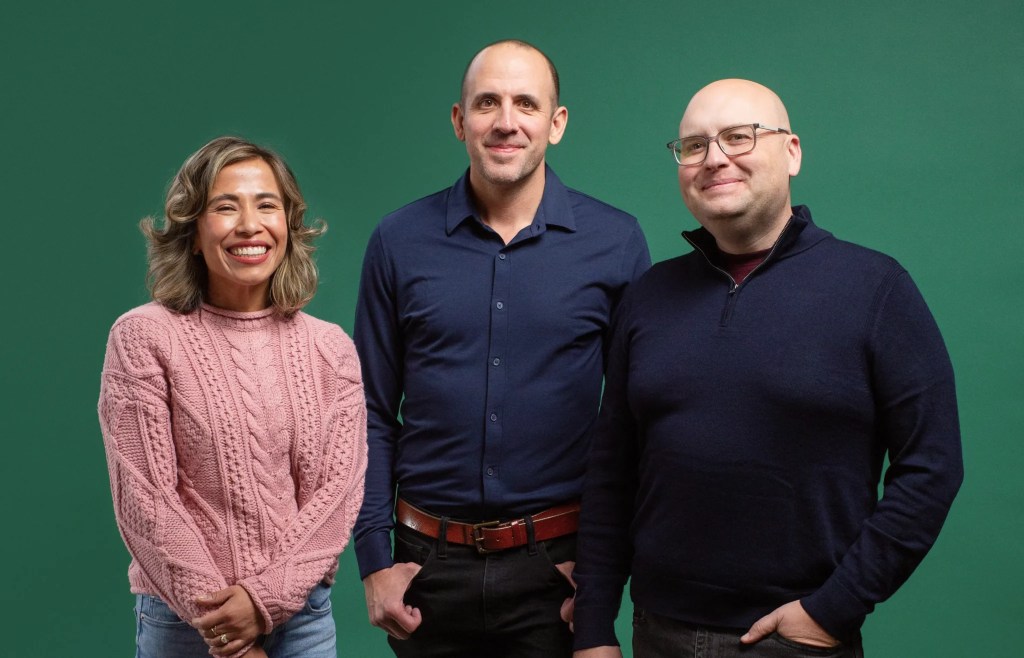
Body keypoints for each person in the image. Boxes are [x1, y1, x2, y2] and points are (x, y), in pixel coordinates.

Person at [571, 79, 964, 657]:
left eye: (738, 136)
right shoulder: (649, 297)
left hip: (798, 641)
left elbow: (933, 466)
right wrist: (593, 628)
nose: (715, 159)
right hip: (655, 633)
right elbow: (612, 472)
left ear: (793, 151)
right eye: (694, 145)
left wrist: (833, 608)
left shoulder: (876, 289)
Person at [353, 39, 651, 657]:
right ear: (460, 120)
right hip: (422, 574)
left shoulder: (616, 242)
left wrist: (600, 576)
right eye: (487, 103)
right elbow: (370, 413)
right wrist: (373, 559)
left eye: (525, 104)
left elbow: (632, 423)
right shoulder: (398, 240)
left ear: (556, 123)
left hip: (558, 572)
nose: (506, 121)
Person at [98, 136, 367, 658]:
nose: (250, 224)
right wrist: (226, 631)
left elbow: (338, 496)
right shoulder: (143, 337)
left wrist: (264, 599)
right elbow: (146, 499)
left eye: (267, 205)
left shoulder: (331, 348)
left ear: (289, 225)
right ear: (194, 232)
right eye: (226, 206)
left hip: (304, 620)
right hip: (186, 622)